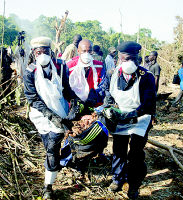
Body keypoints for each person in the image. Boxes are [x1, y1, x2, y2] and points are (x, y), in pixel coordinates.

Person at [23, 36, 78, 199]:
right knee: (49, 146)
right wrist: (49, 115)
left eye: (45, 51)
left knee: (52, 149)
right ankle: (55, 166)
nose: (42, 54)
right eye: (38, 52)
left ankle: (48, 187)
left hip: (59, 113)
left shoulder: (61, 67)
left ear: (51, 51)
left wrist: (75, 103)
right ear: (34, 53)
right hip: (40, 115)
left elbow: (67, 89)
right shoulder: (30, 71)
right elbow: (32, 98)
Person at [102, 41, 156, 199]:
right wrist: (108, 108)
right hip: (119, 116)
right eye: (125, 59)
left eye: (132, 59)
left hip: (140, 118)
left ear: (137, 59)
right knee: (118, 149)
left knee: (136, 153)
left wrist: (130, 115)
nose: (128, 63)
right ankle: (117, 178)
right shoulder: (112, 73)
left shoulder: (146, 77)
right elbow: (107, 93)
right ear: (119, 58)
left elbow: (148, 104)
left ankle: (133, 184)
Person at [67, 39, 106, 108]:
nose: (87, 54)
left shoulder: (99, 66)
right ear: (78, 51)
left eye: (89, 51)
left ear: (92, 51)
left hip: (94, 103)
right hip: (74, 104)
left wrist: (94, 95)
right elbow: (65, 86)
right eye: (84, 51)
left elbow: (103, 85)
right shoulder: (69, 66)